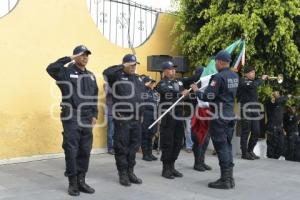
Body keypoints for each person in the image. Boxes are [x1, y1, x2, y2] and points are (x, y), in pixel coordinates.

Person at [46, 45, 98, 196]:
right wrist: (69, 58)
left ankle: (82, 181)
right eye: (82, 55)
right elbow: (51, 68)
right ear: (76, 56)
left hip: (87, 117)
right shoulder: (66, 72)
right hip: (72, 116)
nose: (85, 57)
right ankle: (73, 183)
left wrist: (95, 114)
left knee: (85, 150)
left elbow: (95, 97)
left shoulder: (91, 75)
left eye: (87, 55)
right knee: (71, 150)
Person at [191, 50, 239, 189]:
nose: (214, 64)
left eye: (215, 62)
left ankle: (225, 180)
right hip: (229, 115)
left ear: (219, 62)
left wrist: (196, 91)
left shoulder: (218, 78)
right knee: (227, 146)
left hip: (219, 117)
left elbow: (208, 96)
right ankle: (229, 178)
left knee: (221, 147)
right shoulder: (234, 75)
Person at [103, 54, 145, 187]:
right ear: (125, 64)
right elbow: (106, 72)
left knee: (134, 146)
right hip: (122, 118)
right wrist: (122, 66)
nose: (133, 67)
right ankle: (123, 174)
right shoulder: (116, 77)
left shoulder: (138, 79)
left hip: (136, 118)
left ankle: (130, 171)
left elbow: (141, 98)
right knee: (122, 146)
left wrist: (142, 113)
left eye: (135, 65)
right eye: (131, 64)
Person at [156, 61, 201, 179]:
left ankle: (172, 166)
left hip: (179, 116)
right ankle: (166, 168)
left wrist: (205, 72)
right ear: (165, 71)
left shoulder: (179, 82)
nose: (173, 71)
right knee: (168, 143)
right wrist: (180, 93)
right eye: (171, 69)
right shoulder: (162, 83)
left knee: (178, 142)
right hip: (168, 117)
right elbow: (166, 92)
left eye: (174, 69)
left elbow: (194, 78)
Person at [236, 66, 268, 160]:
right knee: (246, 132)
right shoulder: (243, 81)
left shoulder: (254, 80)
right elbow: (253, 85)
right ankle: (244, 153)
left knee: (256, 131)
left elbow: (255, 82)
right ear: (246, 73)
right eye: (252, 72)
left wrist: (262, 77)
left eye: (254, 72)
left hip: (254, 110)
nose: (254, 74)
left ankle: (250, 150)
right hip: (246, 109)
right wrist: (261, 79)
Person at [266, 91, 291, 159]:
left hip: (279, 127)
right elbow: (277, 101)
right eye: (275, 92)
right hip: (272, 126)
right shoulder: (270, 102)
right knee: (271, 145)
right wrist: (287, 97)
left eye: (277, 93)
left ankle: (275, 158)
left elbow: (281, 101)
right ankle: (271, 159)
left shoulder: (280, 103)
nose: (277, 94)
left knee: (281, 145)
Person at [140, 75, 159, 161]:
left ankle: (150, 153)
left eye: (152, 82)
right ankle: (145, 154)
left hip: (154, 114)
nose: (152, 83)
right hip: (146, 114)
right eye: (150, 82)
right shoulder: (143, 91)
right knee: (145, 134)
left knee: (151, 134)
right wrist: (144, 85)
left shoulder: (154, 92)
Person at [104, 82, 115, 155]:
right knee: (110, 131)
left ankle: (115, 147)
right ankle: (110, 148)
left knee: (116, 132)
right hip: (110, 112)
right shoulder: (107, 85)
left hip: (118, 113)